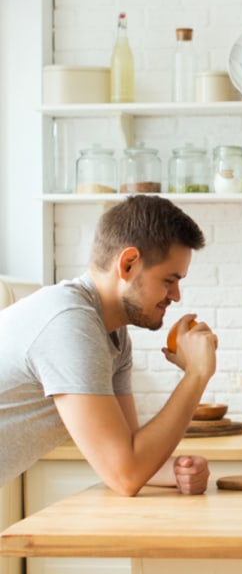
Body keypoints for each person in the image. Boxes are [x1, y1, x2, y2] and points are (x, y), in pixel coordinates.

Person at [0, 195, 218, 496]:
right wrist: (197, 374)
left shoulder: (111, 334)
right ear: (128, 264)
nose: (176, 295)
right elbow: (125, 474)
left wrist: (176, 471)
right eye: (169, 280)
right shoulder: (69, 323)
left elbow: (127, 451)